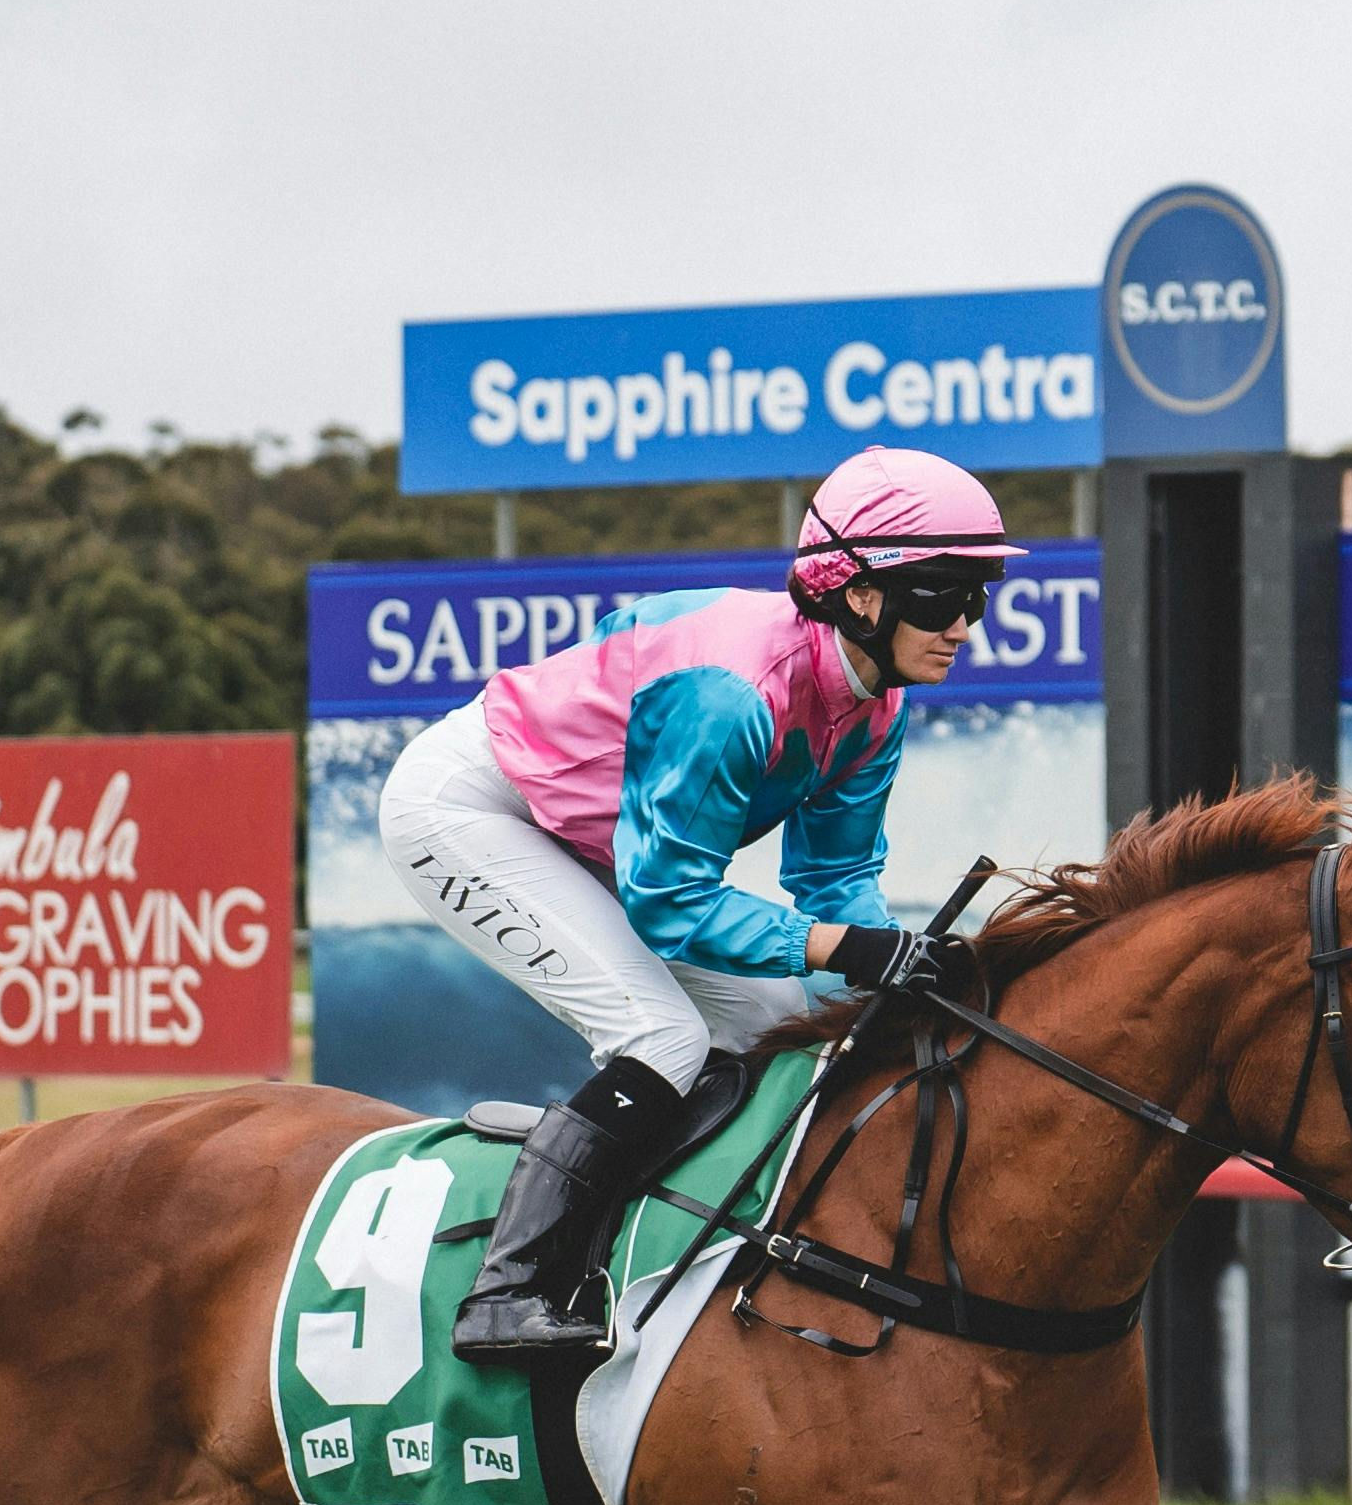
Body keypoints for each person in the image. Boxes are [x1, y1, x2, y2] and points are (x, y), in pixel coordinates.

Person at [378, 445, 1018, 1366]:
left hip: (593, 835)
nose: (964, 621)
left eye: (976, 595)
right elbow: (669, 902)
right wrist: (848, 947)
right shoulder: (729, 695)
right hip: (473, 809)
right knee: (663, 1038)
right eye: (939, 593)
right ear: (860, 594)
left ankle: (678, 1233)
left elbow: (833, 884)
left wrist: (890, 961)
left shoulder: (877, 701)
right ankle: (506, 1288)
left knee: (783, 1021)